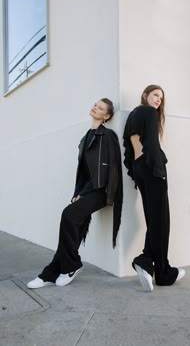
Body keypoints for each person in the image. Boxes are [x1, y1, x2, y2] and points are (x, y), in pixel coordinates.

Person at [28, 98, 123, 288]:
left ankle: (72, 265)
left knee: (68, 215)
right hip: (87, 190)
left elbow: (105, 170)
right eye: (96, 104)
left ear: (106, 116)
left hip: (102, 190)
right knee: (74, 225)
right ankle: (50, 272)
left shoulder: (108, 135)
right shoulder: (86, 137)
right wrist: (78, 192)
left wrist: (86, 192)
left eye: (101, 107)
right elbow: (84, 172)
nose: (95, 107)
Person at [123, 85, 185, 292]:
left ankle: (152, 264)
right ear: (145, 95)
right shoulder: (148, 112)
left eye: (161, 97)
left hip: (140, 168)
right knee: (162, 220)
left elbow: (128, 147)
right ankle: (160, 270)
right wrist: (159, 168)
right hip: (152, 168)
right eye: (155, 95)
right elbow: (150, 142)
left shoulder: (133, 115)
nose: (158, 100)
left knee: (154, 219)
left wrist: (135, 171)